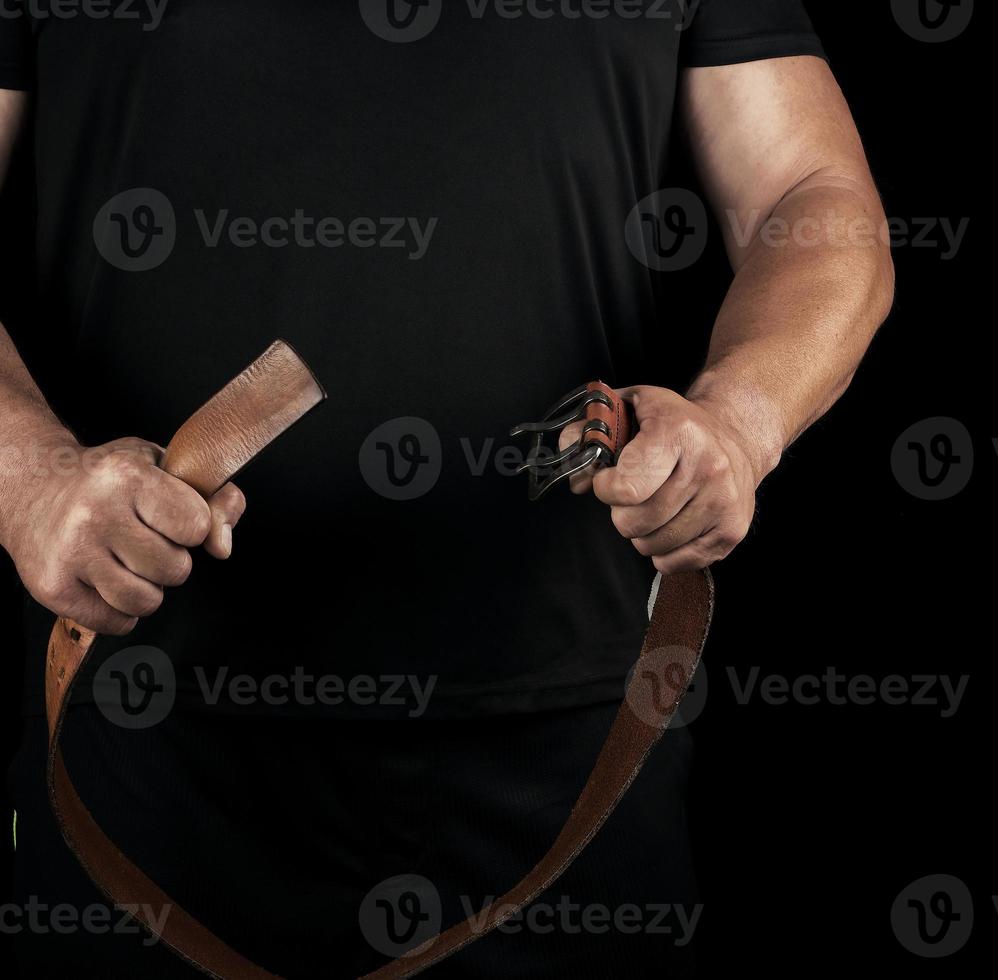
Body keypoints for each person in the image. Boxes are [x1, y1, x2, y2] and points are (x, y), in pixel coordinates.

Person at [0, 2, 893, 977]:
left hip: (575, 746)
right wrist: (28, 477)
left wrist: (738, 419)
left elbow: (811, 200)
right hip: (140, 729)